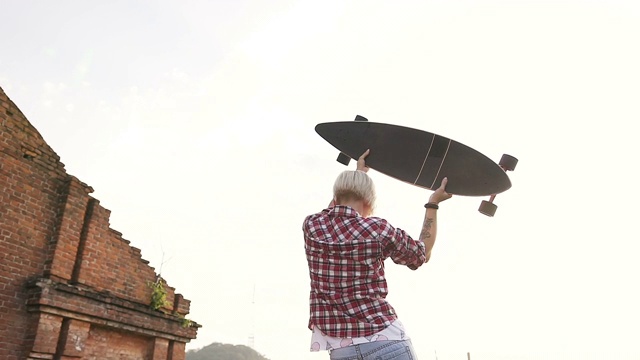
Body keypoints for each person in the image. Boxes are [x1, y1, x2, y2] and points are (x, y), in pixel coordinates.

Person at [303, 149, 452, 359]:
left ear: (335, 197)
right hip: (386, 340)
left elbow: (334, 212)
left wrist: (358, 175)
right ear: (370, 201)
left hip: (341, 351)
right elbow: (422, 253)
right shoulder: (378, 230)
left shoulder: (312, 226)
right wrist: (433, 203)